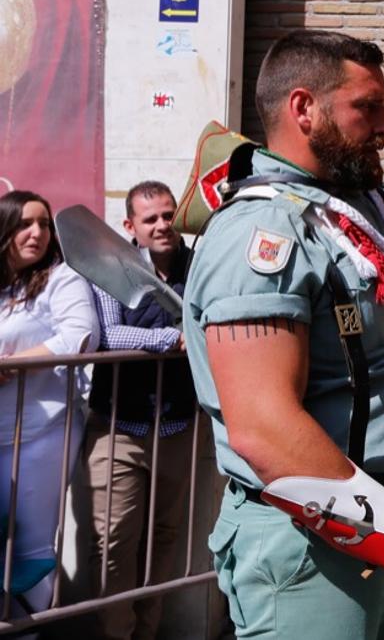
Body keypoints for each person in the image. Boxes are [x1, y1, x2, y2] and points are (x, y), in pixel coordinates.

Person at [182, 29, 384, 640]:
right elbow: (262, 425)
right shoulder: (263, 229)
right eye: (367, 107)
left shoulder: (357, 210)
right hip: (311, 539)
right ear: (304, 108)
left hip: (383, 520)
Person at [83, 180, 195, 640]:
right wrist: (172, 338)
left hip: (177, 427)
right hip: (119, 428)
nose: (162, 225)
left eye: (168, 215)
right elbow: (110, 335)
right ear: (130, 225)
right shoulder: (114, 267)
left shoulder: (200, 265)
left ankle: (146, 634)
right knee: (112, 546)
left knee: (164, 540)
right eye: (150, 219)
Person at [0, 189, 99, 614]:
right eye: (24, 223)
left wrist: (13, 364)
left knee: (31, 549)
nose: (37, 232)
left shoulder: (63, 277)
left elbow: (81, 335)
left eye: (43, 223)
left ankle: (35, 629)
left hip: (41, 431)